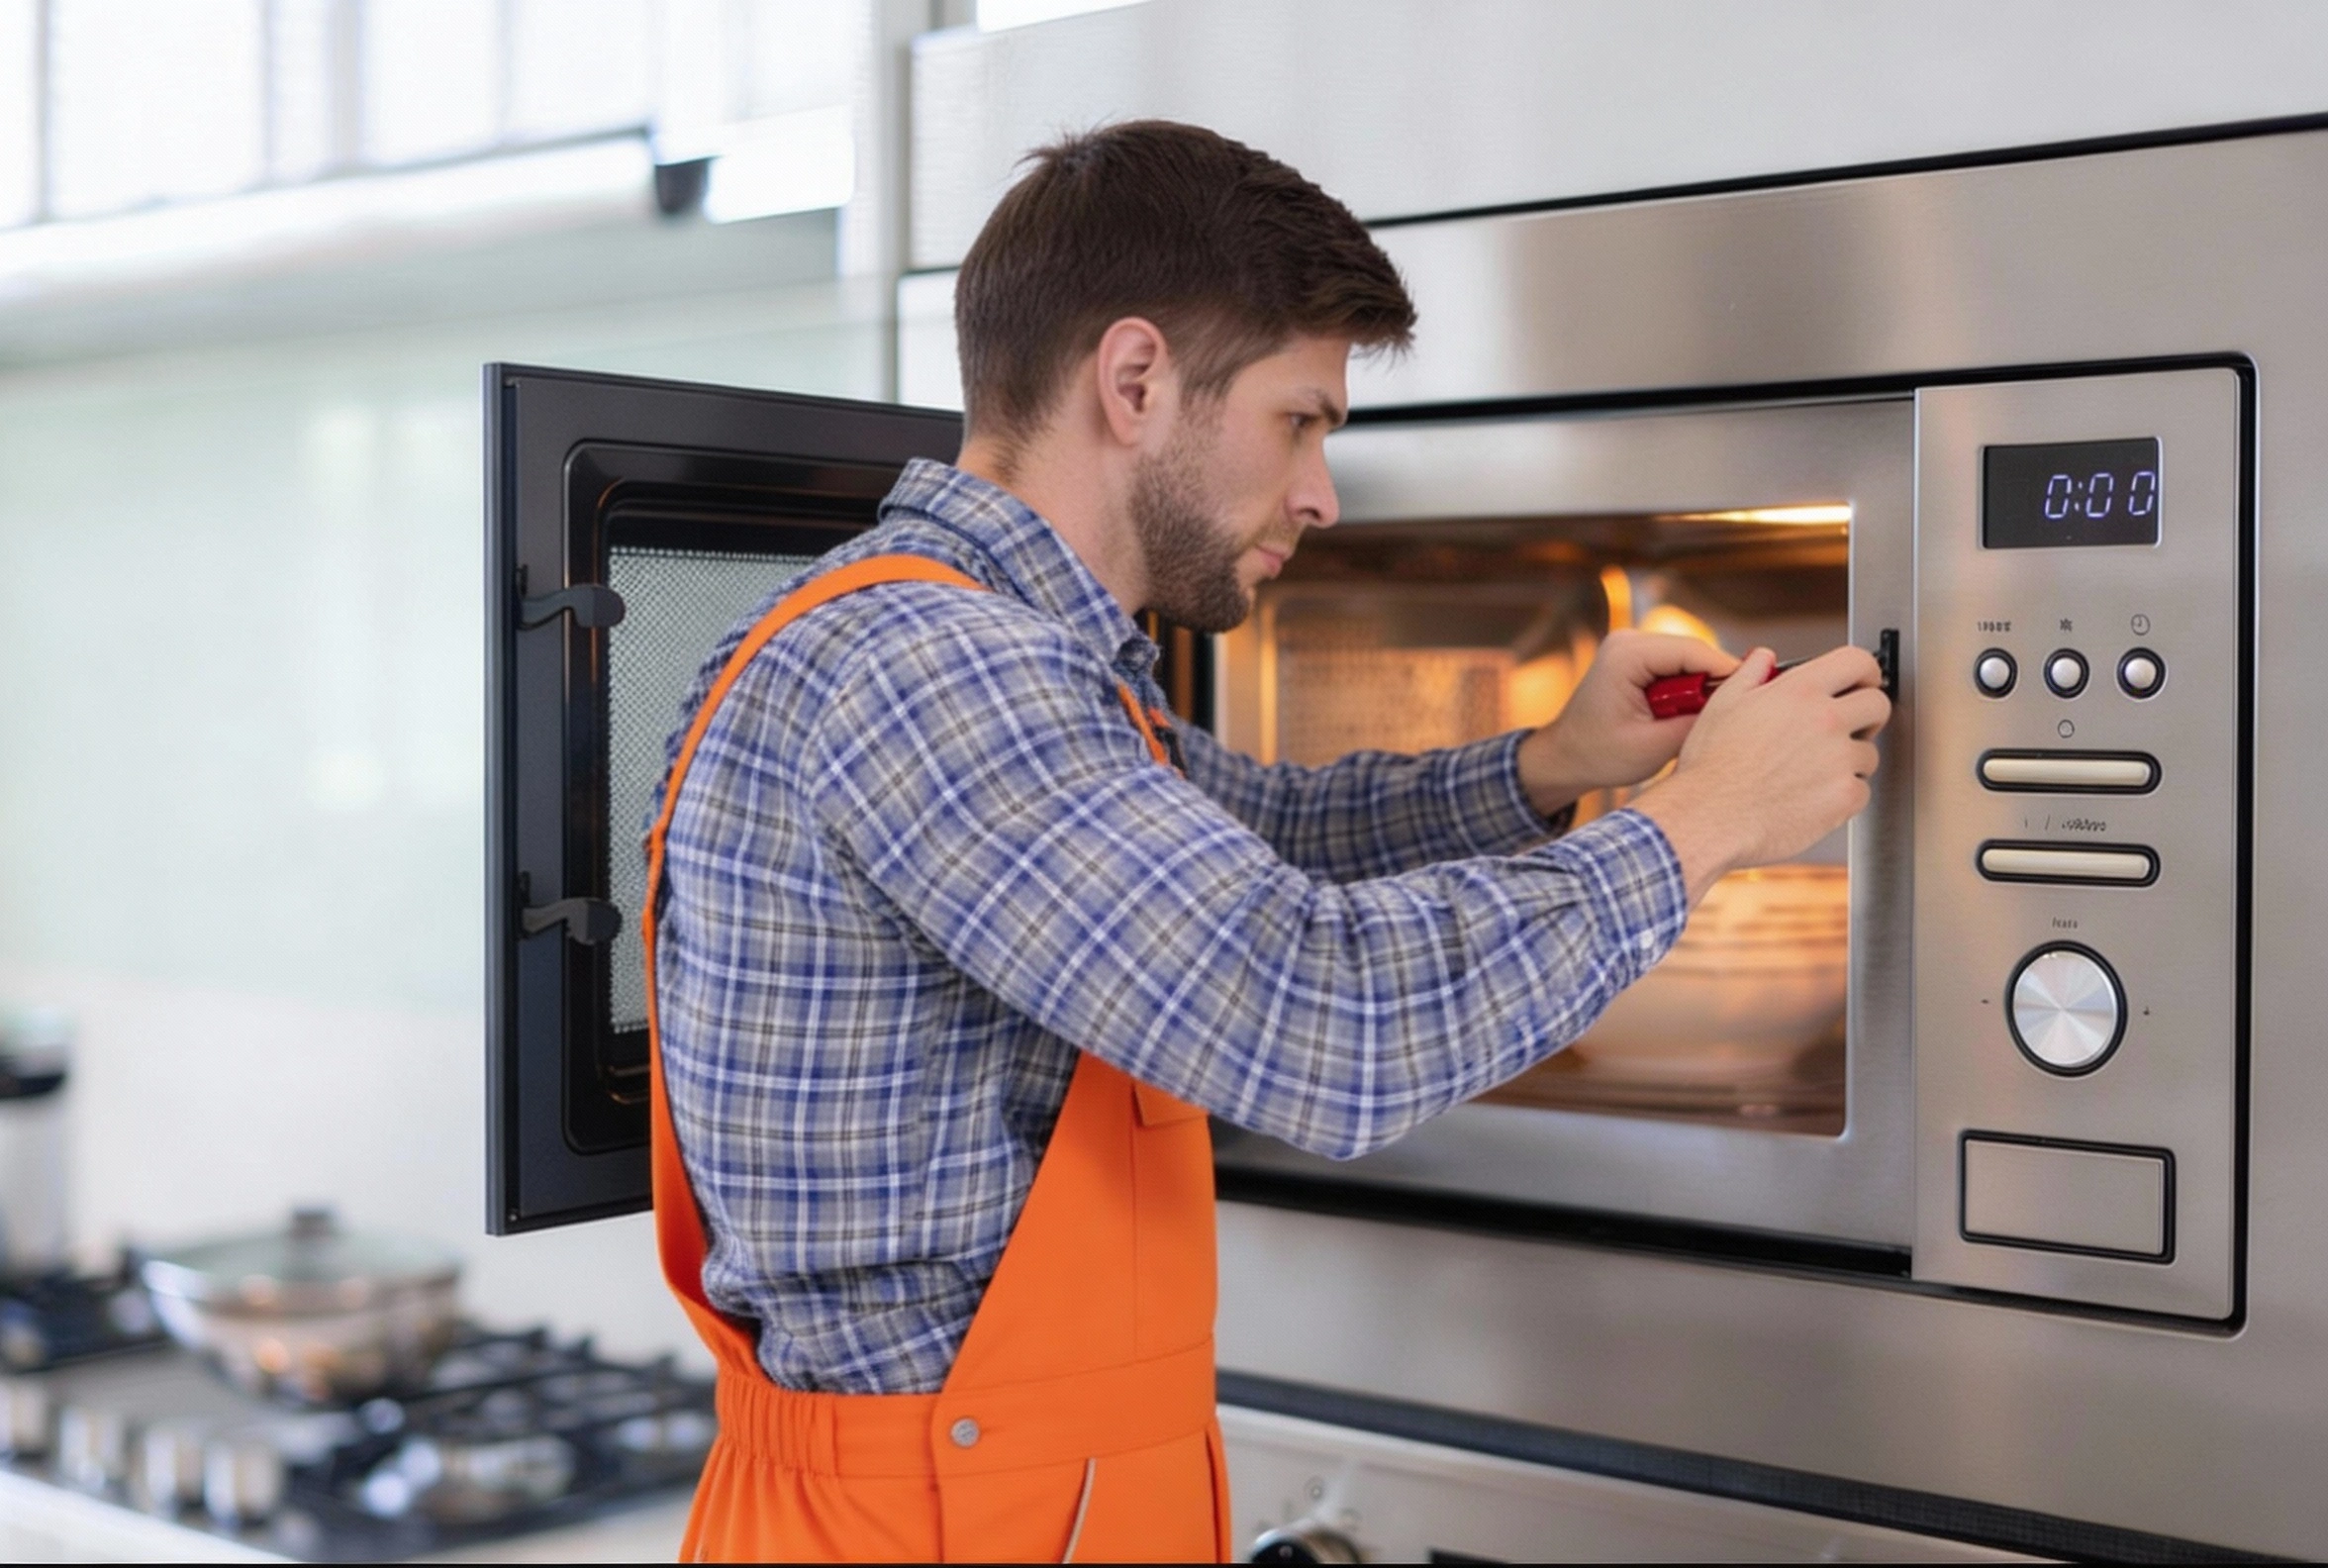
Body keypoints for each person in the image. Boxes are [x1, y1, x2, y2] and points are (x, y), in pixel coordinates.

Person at [642, 120, 1890, 1563]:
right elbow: (1321, 1020)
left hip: (1021, 1494)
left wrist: (1556, 765)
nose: (1321, 493)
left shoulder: (1018, 659)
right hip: (937, 1520)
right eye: (1300, 420)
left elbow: (1263, 840)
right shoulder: (940, 667)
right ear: (1135, 381)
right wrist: (1707, 822)